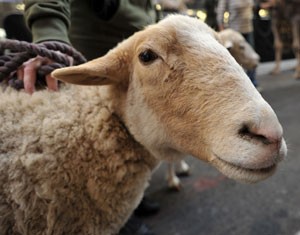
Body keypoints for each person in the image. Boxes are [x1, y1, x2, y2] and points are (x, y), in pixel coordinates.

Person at [19, 1, 160, 235]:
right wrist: (49, 33)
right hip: (96, 53)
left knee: (137, 142)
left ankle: (132, 198)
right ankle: (113, 213)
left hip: (140, 54)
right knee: (102, 138)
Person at [217, 0, 262, 91]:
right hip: (235, 32)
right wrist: (223, 31)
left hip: (248, 30)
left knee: (250, 55)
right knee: (235, 59)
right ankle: (237, 84)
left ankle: (252, 81)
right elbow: (220, 11)